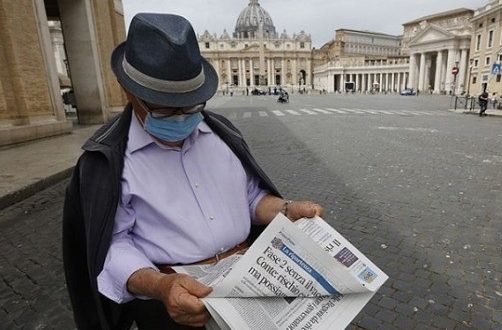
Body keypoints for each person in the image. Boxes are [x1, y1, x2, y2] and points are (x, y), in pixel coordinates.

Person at [62, 13, 324, 330]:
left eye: (192, 105)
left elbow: (251, 197)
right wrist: (161, 286)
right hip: (173, 302)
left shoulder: (223, 133)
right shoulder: (104, 161)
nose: (183, 117)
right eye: (166, 107)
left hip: (248, 284)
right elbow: (111, 245)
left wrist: (284, 210)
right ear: (128, 91)